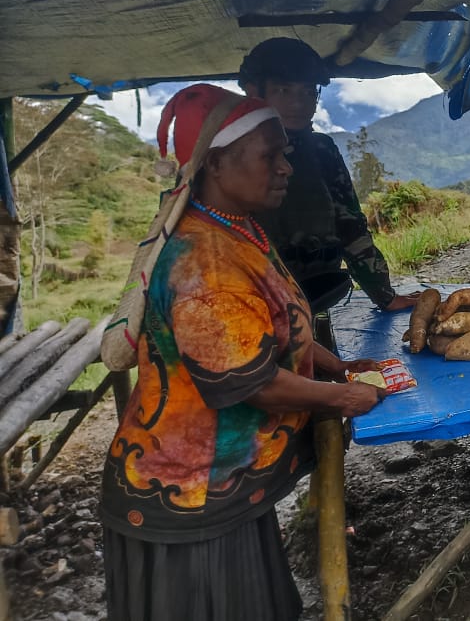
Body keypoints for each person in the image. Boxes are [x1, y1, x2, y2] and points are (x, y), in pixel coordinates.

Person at [100, 84, 388, 621]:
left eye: (285, 154)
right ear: (214, 163)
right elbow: (250, 382)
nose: (285, 168)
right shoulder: (204, 265)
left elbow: (271, 328)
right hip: (186, 489)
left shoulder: (235, 229)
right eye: (270, 155)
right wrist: (344, 397)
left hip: (221, 484)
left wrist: (336, 365)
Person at [237, 37, 420, 320]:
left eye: (308, 91)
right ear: (254, 92)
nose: (299, 103)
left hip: (315, 297)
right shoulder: (224, 156)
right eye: (283, 90)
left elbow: (351, 228)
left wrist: (384, 295)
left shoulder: (322, 151)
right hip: (246, 307)